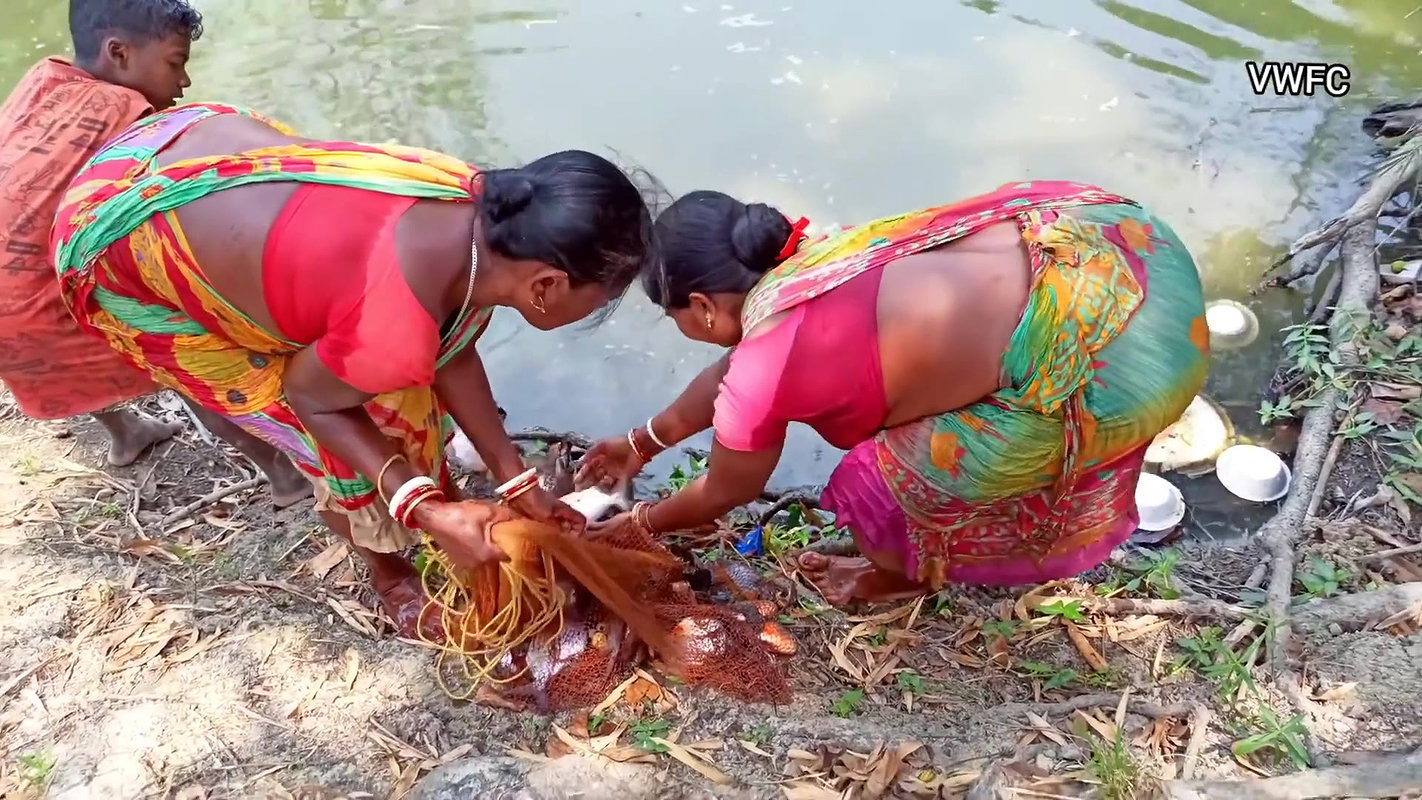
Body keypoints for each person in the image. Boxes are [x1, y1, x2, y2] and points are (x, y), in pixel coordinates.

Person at [50, 101, 655, 636]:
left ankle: (417, 508)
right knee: (346, 428)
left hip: (185, 143)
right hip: (114, 235)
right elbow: (311, 400)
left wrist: (513, 479)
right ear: (547, 284)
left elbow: (452, 345)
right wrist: (427, 509)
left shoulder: (474, 206)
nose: (599, 310)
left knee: (384, 378)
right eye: (601, 298)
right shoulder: (391, 325)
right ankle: (392, 580)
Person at [578, 181, 1210, 605]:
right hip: (1120, 247)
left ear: (702, 307)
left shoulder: (765, 364)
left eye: (676, 319)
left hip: (1127, 359)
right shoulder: (823, 257)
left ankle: (892, 578)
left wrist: (634, 525)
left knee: (874, 486)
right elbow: (734, 376)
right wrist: (643, 442)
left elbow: (727, 490)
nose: (686, 333)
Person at [0, 0, 310, 506]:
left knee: (53, 266)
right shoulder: (131, 121)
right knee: (183, 351)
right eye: (175, 62)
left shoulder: (46, 78)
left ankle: (126, 432)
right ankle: (286, 477)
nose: (184, 82)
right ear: (118, 53)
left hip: (9, 313)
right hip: (34, 306)